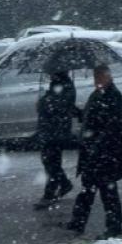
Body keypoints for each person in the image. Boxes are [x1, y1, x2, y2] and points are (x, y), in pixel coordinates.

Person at [64, 65, 122, 239]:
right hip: (94, 152)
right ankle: (78, 221)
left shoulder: (113, 96)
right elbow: (91, 118)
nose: (97, 81)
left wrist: (98, 144)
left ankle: (114, 227)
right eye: (95, 78)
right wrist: (77, 112)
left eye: (100, 77)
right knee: (88, 188)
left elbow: (113, 127)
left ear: (108, 77)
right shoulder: (98, 94)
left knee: (108, 192)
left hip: (106, 154)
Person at [34, 71, 78, 210]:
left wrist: (43, 103)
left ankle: (50, 194)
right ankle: (63, 185)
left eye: (51, 73)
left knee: (51, 161)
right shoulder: (56, 85)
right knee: (50, 161)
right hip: (49, 129)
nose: (49, 75)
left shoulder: (66, 86)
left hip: (56, 131)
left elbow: (59, 106)